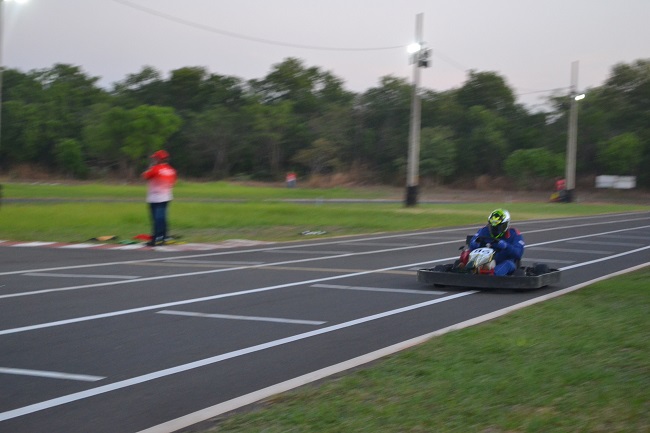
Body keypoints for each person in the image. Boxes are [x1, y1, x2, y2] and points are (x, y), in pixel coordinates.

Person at [468, 208, 525, 276]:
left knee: (507, 264)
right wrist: (474, 243)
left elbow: (518, 253)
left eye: (498, 227)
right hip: (485, 259)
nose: (495, 230)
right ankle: (467, 271)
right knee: (467, 254)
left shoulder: (515, 234)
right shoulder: (484, 231)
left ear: (506, 225)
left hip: (506, 261)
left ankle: (493, 275)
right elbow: (472, 243)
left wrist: (506, 246)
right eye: (492, 227)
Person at [142, 150, 177, 246]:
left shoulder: (155, 169)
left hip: (155, 197)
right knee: (162, 218)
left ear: (159, 159)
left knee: (156, 218)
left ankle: (157, 238)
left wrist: (151, 167)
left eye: (155, 158)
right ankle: (164, 236)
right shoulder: (171, 170)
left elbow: (145, 176)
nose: (153, 159)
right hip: (166, 196)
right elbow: (173, 182)